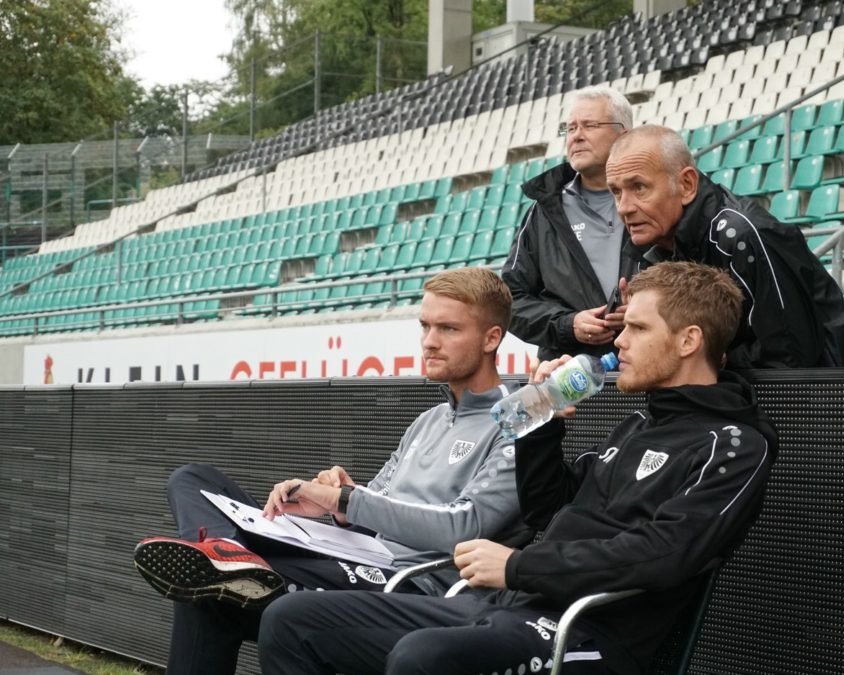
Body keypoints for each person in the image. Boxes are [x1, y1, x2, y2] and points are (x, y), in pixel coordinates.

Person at [257, 261, 777, 675]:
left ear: (688, 341)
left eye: (637, 328)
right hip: (512, 606)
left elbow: (661, 554)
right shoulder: (638, 426)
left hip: (587, 635)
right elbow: (550, 506)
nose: (617, 342)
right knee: (291, 620)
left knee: (424, 657)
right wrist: (539, 419)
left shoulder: (733, 444)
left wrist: (517, 566)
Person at [132, 267, 532, 675]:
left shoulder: (519, 420)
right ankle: (227, 553)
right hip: (354, 557)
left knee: (209, 596)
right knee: (193, 480)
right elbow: (377, 503)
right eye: (425, 326)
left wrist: (346, 500)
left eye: (448, 329)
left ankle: (228, 560)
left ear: (491, 338)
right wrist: (334, 509)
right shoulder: (427, 420)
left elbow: (463, 527)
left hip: (409, 583)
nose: (430, 342)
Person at [607, 124, 844, 369]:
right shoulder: (651, 244)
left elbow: (790, 353)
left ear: (686, 185)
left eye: (639, 187)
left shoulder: (744, 236)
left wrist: (709, 358)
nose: (624, 207)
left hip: (821, 405)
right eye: (616, 192)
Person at [502, 85, 639, 360]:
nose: (576, 136)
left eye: (589, 125)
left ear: (623, 133)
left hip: (646, 368)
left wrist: (645, 312)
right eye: (571, 128)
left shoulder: (656, 200)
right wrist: (568, 324)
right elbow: (510, 299)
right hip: (569, 379)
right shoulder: (543, 211)